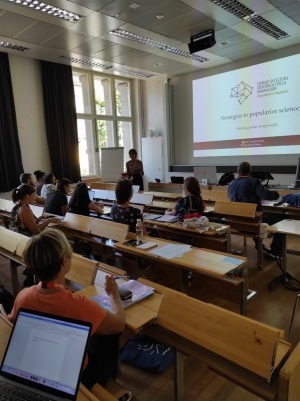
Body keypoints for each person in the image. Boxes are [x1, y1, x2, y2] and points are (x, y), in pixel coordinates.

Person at [8, 229, 128, 395]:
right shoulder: (80, 305)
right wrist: (114, 295)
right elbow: (119, 323)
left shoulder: (22, 296)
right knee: (109, 335)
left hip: (36, 366)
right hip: (76, 378)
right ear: (65, 261)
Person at [228, 161, 281, 257]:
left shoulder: (232, 183)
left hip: (237, 221)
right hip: (253, 221)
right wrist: (276, 194)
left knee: (254, 217)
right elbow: (266, 195)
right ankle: (275, 252)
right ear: (250, 172)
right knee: (280, 221)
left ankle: (260, 246)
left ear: (238, 171)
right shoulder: (253, 182)